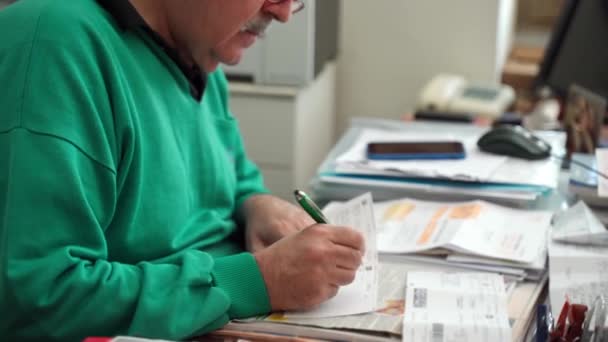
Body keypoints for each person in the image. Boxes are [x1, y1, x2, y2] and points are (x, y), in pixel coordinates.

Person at [0, 1, 365, 341]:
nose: (284, 12)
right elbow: (35, 296)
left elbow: (232, 175)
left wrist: (255, 203)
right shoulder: (53, 46)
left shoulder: (195, 50)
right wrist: (259, 281)